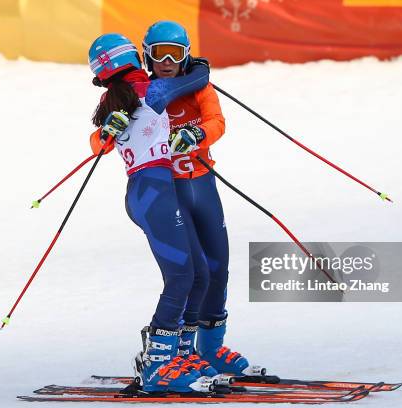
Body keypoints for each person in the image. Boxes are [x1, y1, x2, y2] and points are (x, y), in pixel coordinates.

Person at [91, 21, 261, 379]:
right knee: (190, 273)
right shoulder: (147, 90)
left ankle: (207, 348)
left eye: (176, 54)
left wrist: (197, 132)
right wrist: (106, 131)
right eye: (158, 54)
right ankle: (172, 353)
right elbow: (103, 139)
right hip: (171, 188)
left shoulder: (185, 87)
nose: (167, 61)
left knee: (215, 269)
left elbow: (216, 121)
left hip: (201, 182)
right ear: (144, 57)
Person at [87, 32, 211, 393]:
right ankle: (158, 366)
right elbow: (197, 79)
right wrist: (200, 65)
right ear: (132, 60)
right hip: (152, 192)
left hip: (156, 192)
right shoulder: (146, 91)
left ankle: (177, 356)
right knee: (182, 278)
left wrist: (103, 136)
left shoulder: (121, 96)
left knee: (198, 273)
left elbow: (99, 144)